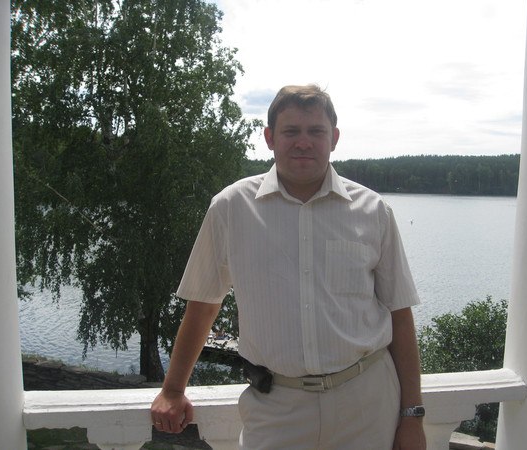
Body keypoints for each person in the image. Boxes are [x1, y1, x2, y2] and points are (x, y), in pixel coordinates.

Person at [151, 84, 427, 450]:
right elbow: (202, 304)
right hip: (276, 408)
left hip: (367, 405)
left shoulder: (373, 210)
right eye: (291, 131)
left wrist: (412, 415)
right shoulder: (231, 208)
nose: (304, 142)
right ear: (269, 138)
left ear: (334, 138)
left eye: (316, 131)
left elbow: (399, 315)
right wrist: (173, 389)